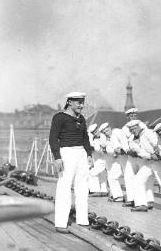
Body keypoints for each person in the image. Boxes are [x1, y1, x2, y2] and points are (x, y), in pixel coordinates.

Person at [49, 92, 94, 233]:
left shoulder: (82, 119)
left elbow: (85, 138)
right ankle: (61, 223)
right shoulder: (59, 117)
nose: (82, 105)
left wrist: (89, 154)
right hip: (66, 152)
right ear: (69, 102)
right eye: (79, 102)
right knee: (64, 186)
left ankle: (82, 220)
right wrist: (57, 157)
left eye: (83, 102)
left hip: (81, 153)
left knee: (82, 186)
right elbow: (53, 138)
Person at [131, 122, 161, 212]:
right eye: (131, 129)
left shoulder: (148, 133)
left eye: (134, 128)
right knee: (138, 179)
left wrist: (158, 153)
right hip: (149, 161)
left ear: (139, 127)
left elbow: (157, 144)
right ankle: (141, 204)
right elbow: (140, 152)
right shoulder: (135, 139)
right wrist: (150, 156)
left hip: (159, 162)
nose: (133, 131)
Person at [98, 122, 126, 202]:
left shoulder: (116, 134)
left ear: (110, 128)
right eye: (105, 132)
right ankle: (117, 195)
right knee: (111, 177)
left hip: (121, 158)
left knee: (115, 177)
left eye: (107, 130)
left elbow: (120, 145)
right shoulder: (106, 139)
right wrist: (111, 150)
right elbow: (106, 150)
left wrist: (117, 149)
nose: (107, 132)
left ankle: (120, 196)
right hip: (114, 160)